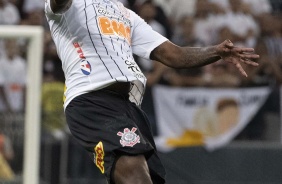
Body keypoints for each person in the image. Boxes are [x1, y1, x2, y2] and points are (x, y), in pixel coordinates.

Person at [44, 0, 259, 183]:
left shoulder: (125, 14)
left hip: (129, 107)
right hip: (91, 100)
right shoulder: (69, 8)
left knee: (145, 177)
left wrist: (217, 51)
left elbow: (174, 55)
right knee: (133, 170)